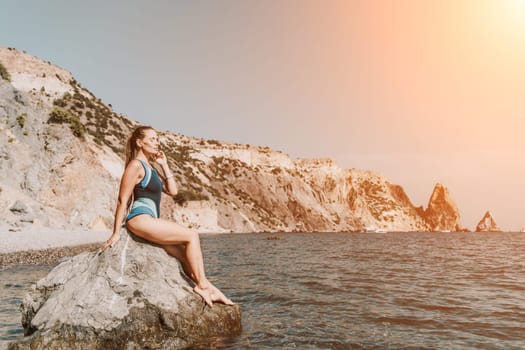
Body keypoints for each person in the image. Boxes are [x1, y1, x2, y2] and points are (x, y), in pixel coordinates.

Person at [101, 125, 233, 307]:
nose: (157, 142)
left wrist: (164, 165)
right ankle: (202, 286)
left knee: (184, 254)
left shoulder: (151, 169)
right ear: (140, 143)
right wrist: (115, 233)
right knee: (191, 235)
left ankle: (208, 286)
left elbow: (173, 190)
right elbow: (122, 201)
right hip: (139, 219)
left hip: (150, 220)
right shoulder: (135, 165)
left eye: (157, 139)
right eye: (152, 139)